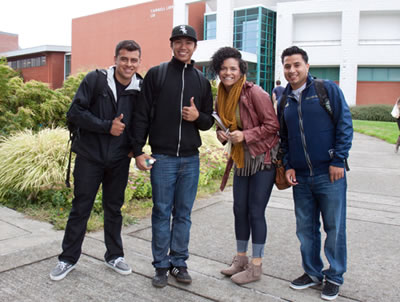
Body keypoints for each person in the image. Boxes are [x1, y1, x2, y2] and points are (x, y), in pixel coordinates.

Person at [49, 40, 143, 281]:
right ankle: (67, 259)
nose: (128, 64)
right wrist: (105, 126)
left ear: (138, 62)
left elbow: (141, 122)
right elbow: (75, 113)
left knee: (114, 209)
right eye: (124, 59)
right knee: (81, 208)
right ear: (115, 59)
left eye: (133, 60)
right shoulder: (96, 80)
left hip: (119, 160)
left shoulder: (140, 87)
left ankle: (115, 256)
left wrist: (136, 149)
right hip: (90, 157)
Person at [132, 25, 214, 288]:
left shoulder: (201, 81)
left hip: (191, 159)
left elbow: (208, 121)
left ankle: (179, 262)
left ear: (194, 47)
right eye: (178, 42)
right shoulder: (157, 75)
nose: (183, 47)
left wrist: (197, 117)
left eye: (188, 42)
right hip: (163, 158)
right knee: (160, 212)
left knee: (184, 214)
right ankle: (160, 266)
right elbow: (142, 114)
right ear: (171, 45)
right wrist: (137, 151)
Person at [278, 46, 353, 301]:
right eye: (287, 66)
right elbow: (284, 137)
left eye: (296, 64)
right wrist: (288, 164)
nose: (292, 70)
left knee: (334, 227)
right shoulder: (285, 99)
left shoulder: (326, 89)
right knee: (306, 229)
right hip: (300, 177)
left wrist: (339, 160)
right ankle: (312, 273)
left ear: (307, 66)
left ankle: (334, 276)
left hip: (329, 173)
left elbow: (344, 123)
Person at [210, 47, 280, 285]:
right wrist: (222, 134)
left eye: (233, 68)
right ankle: (240, 259)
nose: (228, 73)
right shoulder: (221, 94)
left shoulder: (255, 93)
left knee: (255, 211)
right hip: (241, 159)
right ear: (218, 70)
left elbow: (273, 126)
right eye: (223, 68)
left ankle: (256, 267)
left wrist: (246, 135)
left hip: (262, 159)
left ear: (241, 71)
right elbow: (223, 124)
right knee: (239, 209)